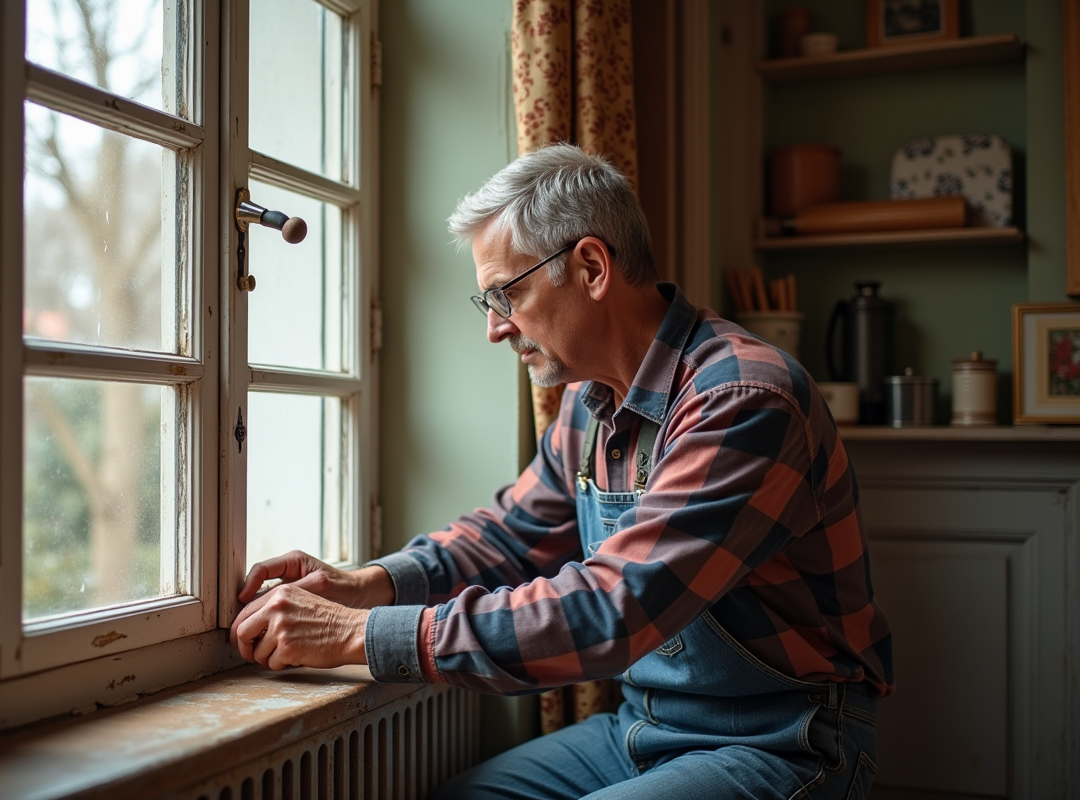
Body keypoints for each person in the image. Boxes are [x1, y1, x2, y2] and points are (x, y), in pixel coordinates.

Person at [230, 143, 893, 799]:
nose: (496, 329)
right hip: (646, 728)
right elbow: (511, 536)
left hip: (783, 742)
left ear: (591, 268)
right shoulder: (588, 403)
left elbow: (615, 607)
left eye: (504, 295)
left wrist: (357, 636)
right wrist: (368, 586)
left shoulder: (743, 399)